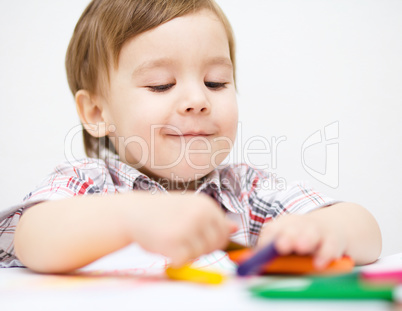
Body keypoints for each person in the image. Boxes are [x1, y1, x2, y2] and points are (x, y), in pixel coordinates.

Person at [0, 0, 381, 273]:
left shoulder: (246, 192)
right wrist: (131, 218)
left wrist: (323, 230)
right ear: (98, 113)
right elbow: (32, 238)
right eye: (161, 85)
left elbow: (367, 232)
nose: (198, 100)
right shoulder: (87, 184)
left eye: (215, 82)